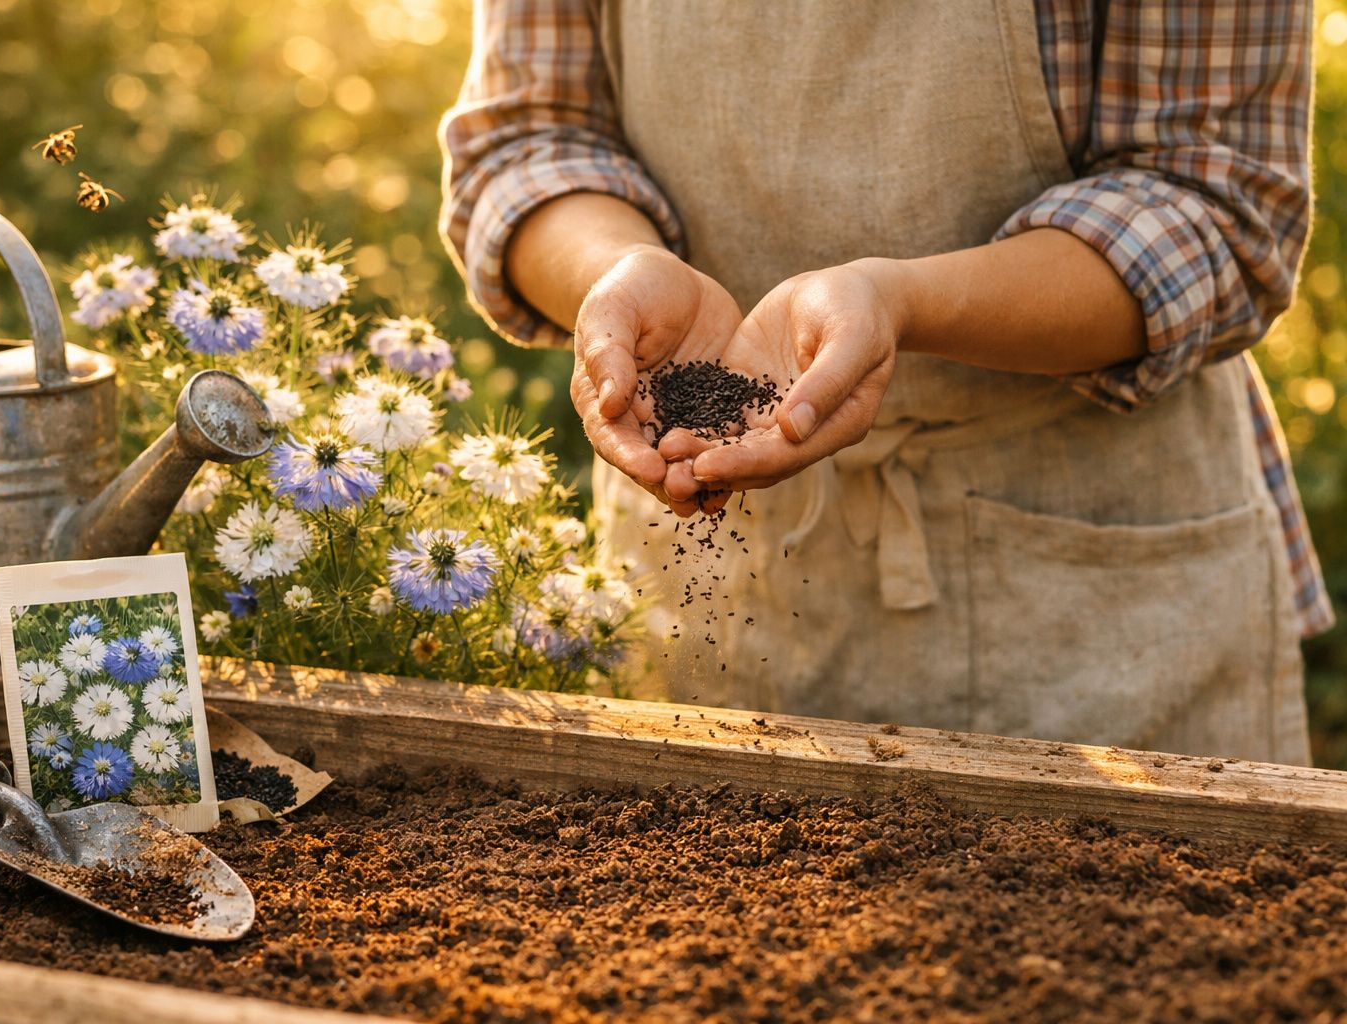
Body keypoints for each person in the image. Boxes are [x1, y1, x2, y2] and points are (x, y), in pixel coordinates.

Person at [439, 0, 1330, 764]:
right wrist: (617, 267)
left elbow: (1216, 201)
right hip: (699, 524)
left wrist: (899, 303)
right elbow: (529, 138)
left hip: (1089, 581)